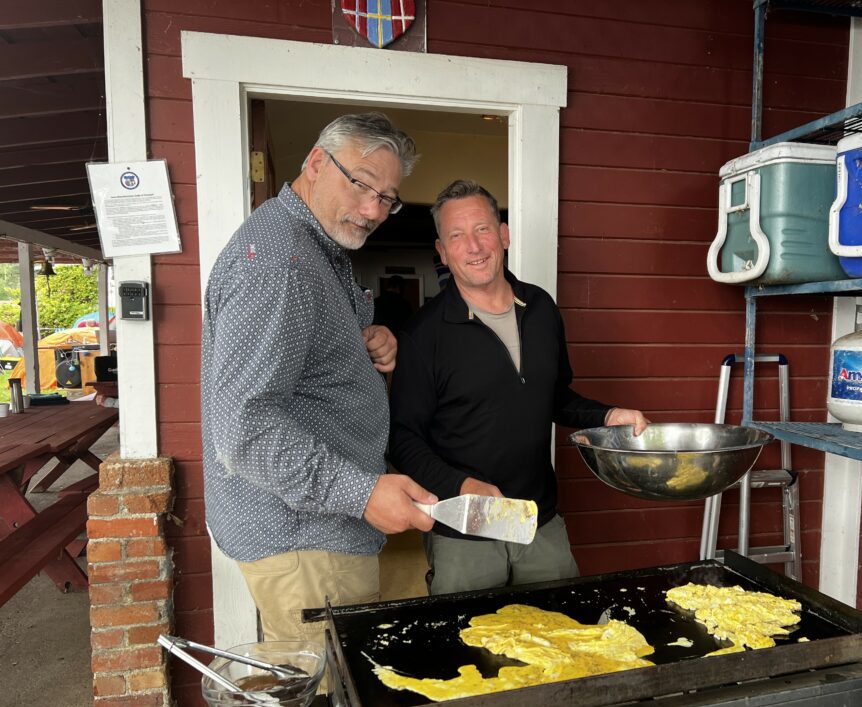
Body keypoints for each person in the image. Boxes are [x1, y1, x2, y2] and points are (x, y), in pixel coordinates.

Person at [201, 113, 437, 644]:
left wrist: (365, 342)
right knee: (335, 705)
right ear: (314, 162)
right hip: (307, 539)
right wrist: (361, 494)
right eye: (360, 184)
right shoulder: (281, 265)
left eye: (388, 198)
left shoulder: (314, 247)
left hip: (316, 531)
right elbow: (246, 430)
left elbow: (299, 361)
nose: (374, 209)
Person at [388, 180, 649, 595]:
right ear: (442, 251)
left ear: (504, 234)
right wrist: (461, 486)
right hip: (464, 532)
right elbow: (402, 438)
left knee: (560, 638)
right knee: (469, 648)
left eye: (483, 229)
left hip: (538, 520)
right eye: (457, 235)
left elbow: (555, 395)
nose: (474, 246)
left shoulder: (541, 309)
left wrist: (606, 416)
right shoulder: (423, 335)